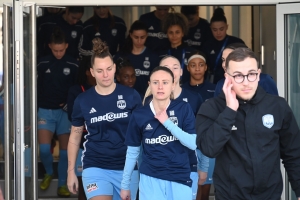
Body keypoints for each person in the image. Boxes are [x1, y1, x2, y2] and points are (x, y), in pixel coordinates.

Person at [196, 48, 300, 199]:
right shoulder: (211, 107)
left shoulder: (278, 106)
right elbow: (208, 149)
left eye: (251, 74)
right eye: (238, 76)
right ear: (227, 77)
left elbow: (294, 153)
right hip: (230, 196)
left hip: (270, 195)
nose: (246, 82)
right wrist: (230, 110)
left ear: (258, 74)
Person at [67, 38, 142, 200]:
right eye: (100, 71)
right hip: (95, 166)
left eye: (109, 69)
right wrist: (71, 171)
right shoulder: (82, 100)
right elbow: (74, 137)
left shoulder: (131, 96)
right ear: (92, 72)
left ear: (115, 68)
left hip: (127, 168)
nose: (105, 75)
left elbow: (143, 133)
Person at [120, 66, 198, 200]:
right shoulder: (139, 114)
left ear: (173, 85)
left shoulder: (183, 108)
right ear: (150, 85)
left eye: (165, 82)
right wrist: (125, 184)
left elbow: (192, 144)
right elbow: (132, 152)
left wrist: (167, 123)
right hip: (150, 178)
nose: (160, 87)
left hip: (180, 176)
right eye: (155, 82)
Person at [37, 27, 78, 197]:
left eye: (61, 50)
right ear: (49, 46)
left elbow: (77, 89)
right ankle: (48, 172)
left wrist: (70, 104)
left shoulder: (73, 63)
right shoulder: (42, 63)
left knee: (64, 151)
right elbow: (35, 88)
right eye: (55, 50)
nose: (59, 53)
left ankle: (62, 183)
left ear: (67, 46)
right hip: (45, 111)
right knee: (45, 149)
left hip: (64, 113)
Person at [182, 53, 216, 200]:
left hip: (208, 143)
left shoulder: (214, 89)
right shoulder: (180, 90)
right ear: (188, 68)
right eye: (193, 65)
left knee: (204, 192)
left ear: (206, 67)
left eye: (201, 65)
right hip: (187, 144)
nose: (197, 69)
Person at [67, 56, 96, 200]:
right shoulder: (76, 90)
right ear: (88, 71)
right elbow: (72, 117)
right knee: (82, 187)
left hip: (100, 145)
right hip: (81, 144)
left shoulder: (107, 90)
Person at [114, 20, 159, 96]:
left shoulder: (153, 57)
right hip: (123, 99)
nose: (139, 41)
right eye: (136, 37)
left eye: (142, 37)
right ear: (130, 35)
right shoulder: (121, 56)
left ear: (147, 35)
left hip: (146, 100)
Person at [214, 43, 278, 96]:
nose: (224, 65)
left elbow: (274, 106)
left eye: (229, 60)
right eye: (223, 60)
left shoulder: (265, 80)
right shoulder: (221, 84)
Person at [201, 8, 244, 84]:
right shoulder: (207, 45)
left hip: (234, 80)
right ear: (210, 29)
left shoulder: (236, 42)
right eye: (215, 30)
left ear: (227, 27)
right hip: (213, 81)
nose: (218, 33)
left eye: (221, 29)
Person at [160, 12, 197, 84]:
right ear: (166, 34)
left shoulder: (192, 53)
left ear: (183, 33)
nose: (174, 36)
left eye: (177, 32)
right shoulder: (161, 54)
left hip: (187, 90)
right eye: (171, 32)